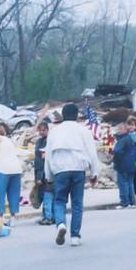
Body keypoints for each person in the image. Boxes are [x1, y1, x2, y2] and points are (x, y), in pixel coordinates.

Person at [45, 103, 101, 247]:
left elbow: (48, 155)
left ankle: (61, 224)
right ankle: (75, 236)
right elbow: (92, 153)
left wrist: (48, 176)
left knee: (59, 201)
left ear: (63, 115)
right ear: (77, 115)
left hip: (60, 170)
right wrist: (95, 173)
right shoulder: (84, 131)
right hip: (78, 169)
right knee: (77, 203)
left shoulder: (54, 132)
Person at [0, 124, 23, 227]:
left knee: (0, 194)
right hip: (16, 168)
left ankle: (0, 218)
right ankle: (13, 218)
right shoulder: (8, 139)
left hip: (3, 169)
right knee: (14, 194)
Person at [113, 122, 136, 209]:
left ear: (124, 129)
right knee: (130, 184)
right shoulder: (130, 138)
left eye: (119, 129)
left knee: (123, 183)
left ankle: (124, 202)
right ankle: (132, 202)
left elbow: (117, 151)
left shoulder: (123, 140)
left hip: (122, 165)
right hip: (131, 165)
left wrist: (114, 159)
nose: (118, 131)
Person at [34, 122, 55, 224]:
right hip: (42, 172)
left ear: (47, 130)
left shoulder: (49, 141)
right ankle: (47, 216)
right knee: (45, 195)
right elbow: (38, 159)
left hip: (47, 172)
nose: (41, 132)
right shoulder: (40, 141)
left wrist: (39, 177)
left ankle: (49, 217)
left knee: (47, 195)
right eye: (40, 130)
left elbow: (42, 160)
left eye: (43, 130)